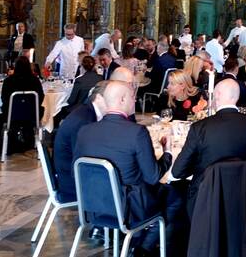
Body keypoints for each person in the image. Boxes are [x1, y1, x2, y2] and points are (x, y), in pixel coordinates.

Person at [74, 80, 175, 254]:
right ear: (122, 100)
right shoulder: (136, 132)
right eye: (132, 97)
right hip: (128, 208)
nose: (135, 101)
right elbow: (153, 176)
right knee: (175, 197)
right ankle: (143, 248)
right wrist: (167, 153)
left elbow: (76, 170)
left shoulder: (85, 131)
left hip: (93, 206)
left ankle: (134, 240)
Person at [169, 77, 246, 204]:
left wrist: (199, 167)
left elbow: (177, 171)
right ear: (236, 97)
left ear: (217, 95)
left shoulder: (199, 127)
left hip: (205, 201)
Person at [54, 81, 109, 202]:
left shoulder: (87, 112)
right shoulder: (83, 121)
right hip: (73, 184)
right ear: (99, 98)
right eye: (113, 98)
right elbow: (84, 161)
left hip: (74, 174)